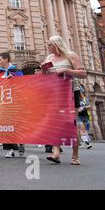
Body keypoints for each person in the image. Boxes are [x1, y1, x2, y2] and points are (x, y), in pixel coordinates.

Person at [42, 36, 86, 165]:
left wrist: (66, 70)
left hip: (71, 92)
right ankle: (56, 153)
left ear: (57, 45)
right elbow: (45, 77)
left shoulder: (71, 56)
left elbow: (83, 73)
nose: (47, 46)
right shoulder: (49, 58)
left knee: (70, 123)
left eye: (49, 44)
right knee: (55, 122)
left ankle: (75, 156)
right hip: (55, 93)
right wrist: (43, 70)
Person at [0, 52, 24, 158]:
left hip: (15, 101)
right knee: (5, 125)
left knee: (16, 124)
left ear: (6, 59)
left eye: (0, 60)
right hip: (4, 101)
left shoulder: (16, 70)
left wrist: (14, 79)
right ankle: (10, 149)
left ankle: (21, 142)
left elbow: (23, 83)